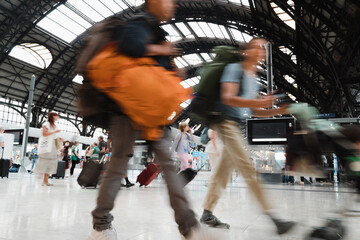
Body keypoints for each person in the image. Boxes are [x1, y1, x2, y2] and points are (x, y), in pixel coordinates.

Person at [87, 1, 214, 239]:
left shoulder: (154, 29)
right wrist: (163, 51)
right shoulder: (139, 22)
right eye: (169, 1)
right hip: (127, 110)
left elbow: (150, 69)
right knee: (118, 167)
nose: (173, 6)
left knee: (167, 165)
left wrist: (172, 72)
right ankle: (101, 226)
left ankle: (189, 226)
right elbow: (130, 47)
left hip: (151, 114)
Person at [199, 38, 295, 234]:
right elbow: (228, 97)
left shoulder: (251, 77)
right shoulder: (235, 69)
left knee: (223, 171)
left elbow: (255, 112)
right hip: (224, 121)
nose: (262, 51)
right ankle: (274, 218)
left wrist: (278, 110)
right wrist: (259, 103)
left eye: (264, 49)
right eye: (257, 47)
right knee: (247, 167)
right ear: (246, 50)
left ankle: (207, 213)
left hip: (236, 124)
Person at [34, 112, 61, 186]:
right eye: (56, 116)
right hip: (46, 144)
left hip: (52, 144)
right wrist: (55, 132)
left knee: (51, 162)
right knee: (46, 161)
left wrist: (59, 138)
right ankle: (43, 179)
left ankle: (46, 181)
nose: (57, 117)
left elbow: (54, 136)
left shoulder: (55, 125)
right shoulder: (46, 124)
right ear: (52, 116)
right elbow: (44, 134)